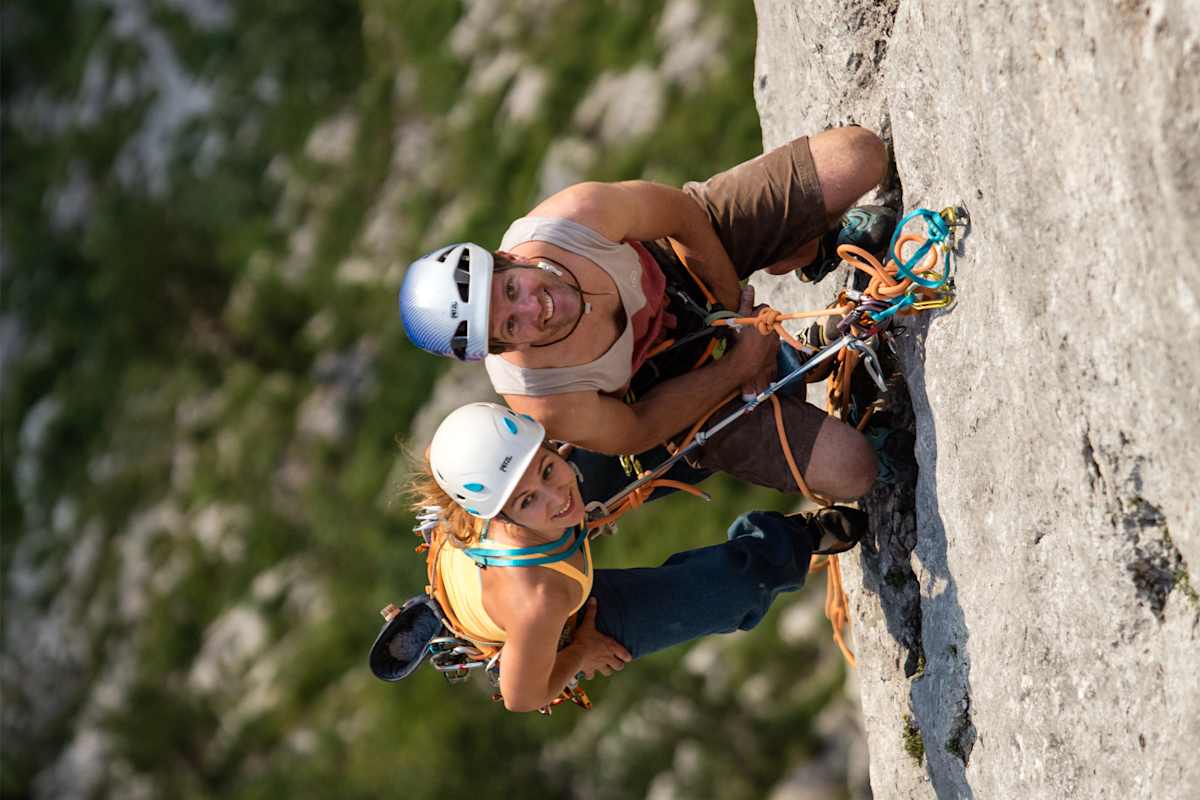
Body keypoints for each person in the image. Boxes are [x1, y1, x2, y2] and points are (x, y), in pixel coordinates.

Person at [399, 127, 894, 504]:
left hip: (683, 257)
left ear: (508, 258)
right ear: (503, 349)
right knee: (854, 470)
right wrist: (737, 367)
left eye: (510, 288)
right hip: (677, 390)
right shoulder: (543, 399)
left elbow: (679, 215)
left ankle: (811, 248)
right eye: (510, 325)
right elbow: (637, 427)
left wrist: (730, 313)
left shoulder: (573, 218)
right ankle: (796, 343)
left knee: (858, 155)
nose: (533, 307)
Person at [392, 402, 866, 712]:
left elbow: (451, 452)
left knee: (667, 432)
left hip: (509, 548)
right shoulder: (540, 601)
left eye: (549, 468)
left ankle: (767, 431)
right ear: (502, 512)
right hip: (562, 611)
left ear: (545, 446)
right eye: (526, 500)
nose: (557, 497)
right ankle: (798, 540)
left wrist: (537, 484)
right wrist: (580, 651)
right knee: (728, 592)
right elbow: (521, 695)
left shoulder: (492, 469)